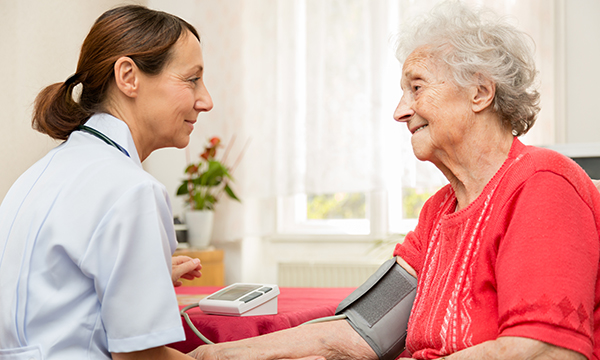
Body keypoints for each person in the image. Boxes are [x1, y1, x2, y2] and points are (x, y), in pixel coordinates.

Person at [189, 2, 600, 360]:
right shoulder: (439, 212)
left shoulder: (543, 185)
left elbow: (544, 349)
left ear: (480, 92)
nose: (400, 111)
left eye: (416, 87)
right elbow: (362, 329)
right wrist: (216, 354)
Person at [0, 5, 210, 360]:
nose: (206, 100)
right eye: (192, 80)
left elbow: (51, 297)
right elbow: (140, 358)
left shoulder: (36, 175)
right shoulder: (132, 190)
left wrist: (141, 276)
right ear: (128, 76)